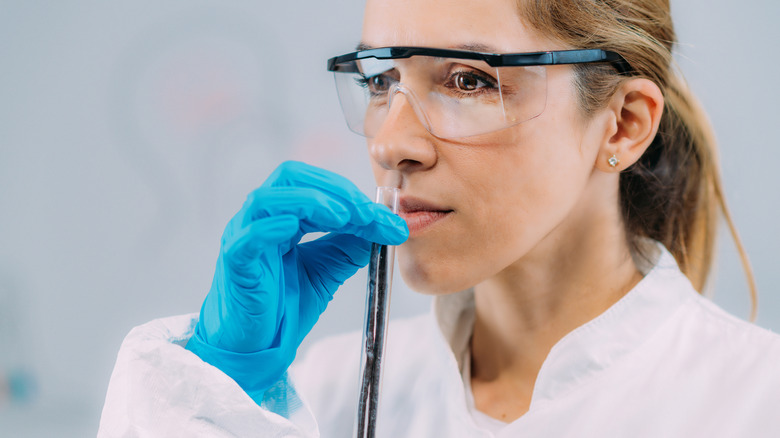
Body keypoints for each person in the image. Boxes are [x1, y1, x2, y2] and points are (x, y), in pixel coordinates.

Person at [99, 0, 780, 436]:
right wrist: (215, 393)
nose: (392, 143)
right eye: (379, 81)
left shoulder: (755, 404)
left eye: (468, 80)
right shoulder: (319, 397)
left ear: (623, 126)